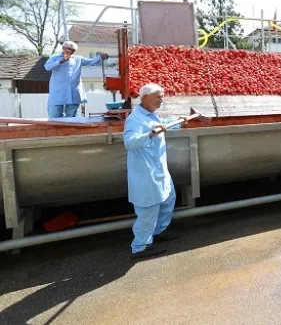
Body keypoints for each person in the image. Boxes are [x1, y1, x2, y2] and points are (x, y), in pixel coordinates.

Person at [123, 83, 193, 259]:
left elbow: (164, 124)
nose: (161, 100)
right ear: (145, 98)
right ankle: (140, 247)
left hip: (159, 171)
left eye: (162, 97)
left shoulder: (151, 115)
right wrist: (150, 134)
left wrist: (181, 121)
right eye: (158, 97)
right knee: (148, 211)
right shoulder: (135, 119)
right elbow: (129, 143)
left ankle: (159, 231)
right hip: (146, 174)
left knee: (169, 199)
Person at [43, 40, 108, 118]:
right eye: (66, 49)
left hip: (73, 92)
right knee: (54, 115)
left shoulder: (78, 59)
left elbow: (91, 62)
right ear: (63, 48)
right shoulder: (54, 57)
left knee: (72, 117)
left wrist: (100, 57)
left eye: (71, 50)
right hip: (57, 93)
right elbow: (47, 67)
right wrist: (61, 61)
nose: (69, 51)